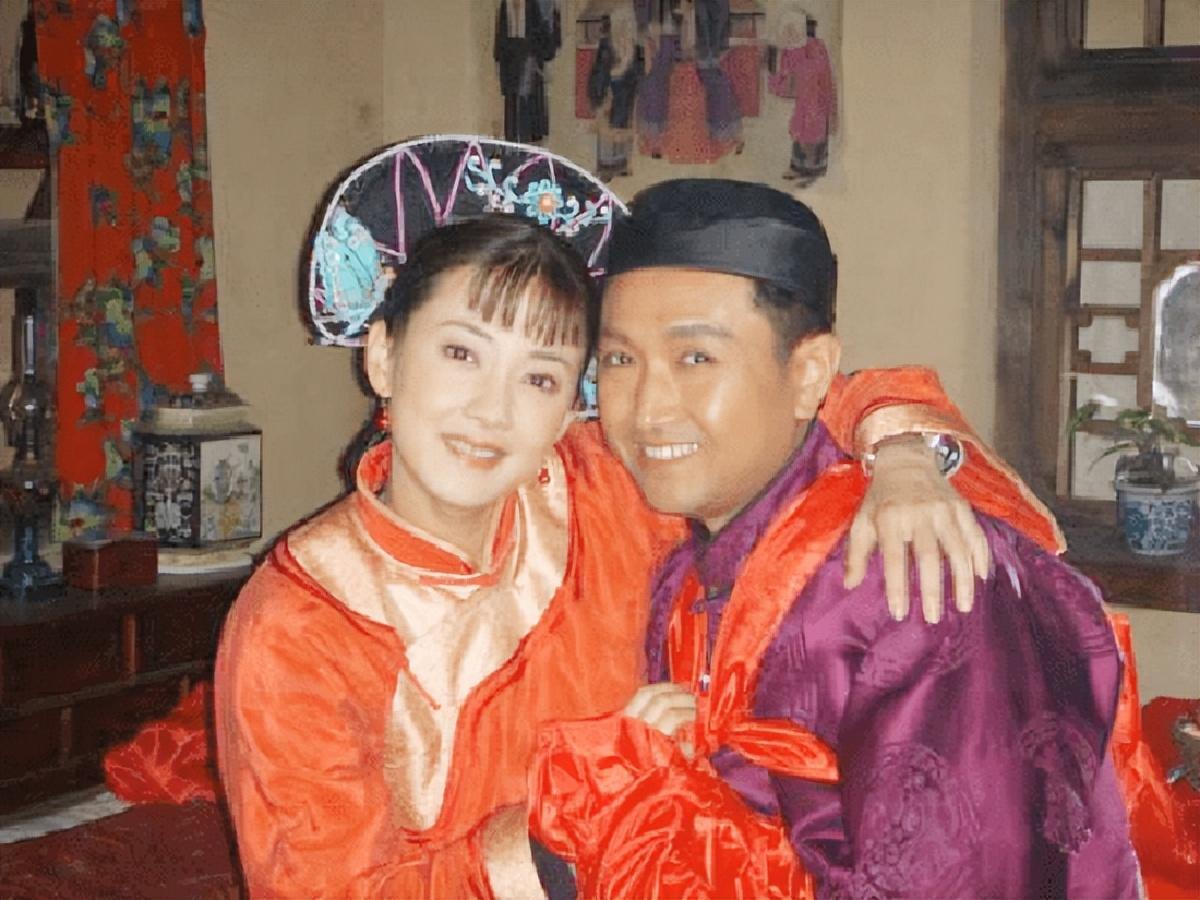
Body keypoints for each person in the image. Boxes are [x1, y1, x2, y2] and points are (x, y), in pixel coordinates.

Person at [215, 139, 1054, 898]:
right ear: (383, 356)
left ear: (571, 406)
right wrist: (577, 818)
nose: (490, 412)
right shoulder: (299, 627)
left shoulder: (601, 490)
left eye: (540, 377)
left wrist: (902, 451)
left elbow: (775, 402)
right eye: (461, 353)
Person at [530, 178, 1143, 899]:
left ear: (810, 374)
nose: (647, 408)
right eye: (619, 360)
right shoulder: (683, 570)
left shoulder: (910, 574)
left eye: (696, 358)